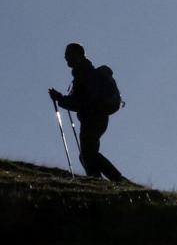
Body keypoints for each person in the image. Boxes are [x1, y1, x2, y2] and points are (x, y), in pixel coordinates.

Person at [48, 43, 128, 182]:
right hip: (95, 117)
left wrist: (61, 99)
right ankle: (97, 181)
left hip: (93, 117)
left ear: (77, 55)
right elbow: (79, 99)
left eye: (68, 54)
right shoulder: (84, 73)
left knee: (88, 153)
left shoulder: (85, 73)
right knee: (86, 155)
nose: (66, 57)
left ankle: (117, 179)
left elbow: (84, 100)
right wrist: (62, 99)